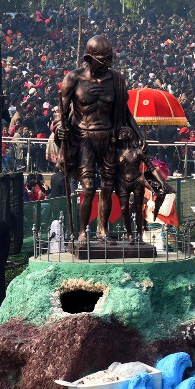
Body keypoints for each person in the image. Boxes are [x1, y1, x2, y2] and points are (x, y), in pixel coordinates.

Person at [56, 34, 140, 243]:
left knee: (108, 186)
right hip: (83, 137)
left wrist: (137, 134)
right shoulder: (73, 79)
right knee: (88, 187)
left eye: (110, 59)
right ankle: (83, 231)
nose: (108, 64)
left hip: (108, 138)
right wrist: (60, 127)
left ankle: (103, 230)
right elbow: (61, 113)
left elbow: (125, 112)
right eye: (104, 59)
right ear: (89, 58)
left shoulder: (116, 80)